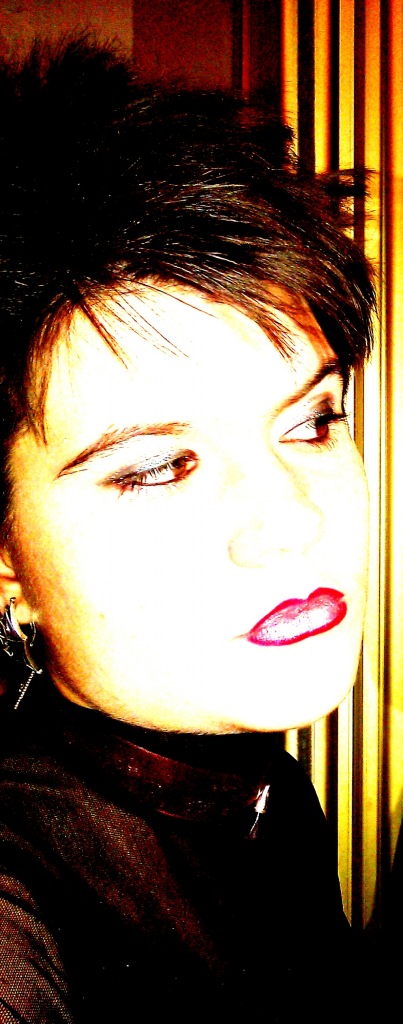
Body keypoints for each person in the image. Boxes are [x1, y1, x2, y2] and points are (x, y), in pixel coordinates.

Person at [0, 36, 374, 1022]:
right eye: (156, 467)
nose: (289, 521)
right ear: (6, 562)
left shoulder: (255, 784)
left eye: (310, 422)